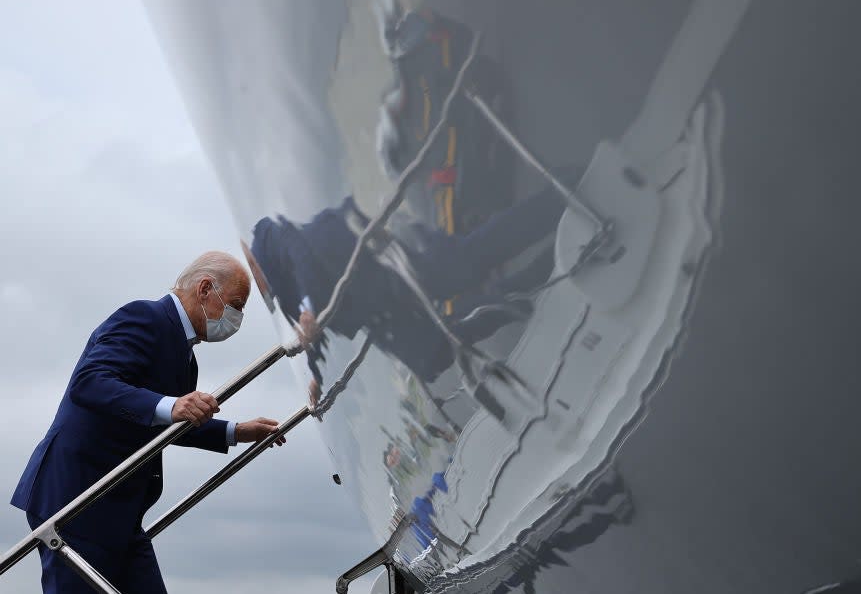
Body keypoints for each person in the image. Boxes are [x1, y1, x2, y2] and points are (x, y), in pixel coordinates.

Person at [10, 252, 286, 594]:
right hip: (78, 500)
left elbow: (166, 421)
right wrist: (172, 406)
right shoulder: (144, 317)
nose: (237, 318)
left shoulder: (185, 352)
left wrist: (236, 432)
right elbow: (90, 382)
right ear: (204, 289)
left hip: (119, 511)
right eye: (235, 305)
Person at [243, 180, 572, 387]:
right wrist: (315, 376)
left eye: (252, 276)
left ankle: (562, 194)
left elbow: (304, 269)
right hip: (381, 300)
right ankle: (543, 273)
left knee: (471, 260)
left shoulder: (275, 243)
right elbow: (311, 328)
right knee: (433, 354)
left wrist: (312, 310)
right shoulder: (285, 287)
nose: (258, 287)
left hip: (389, 262)